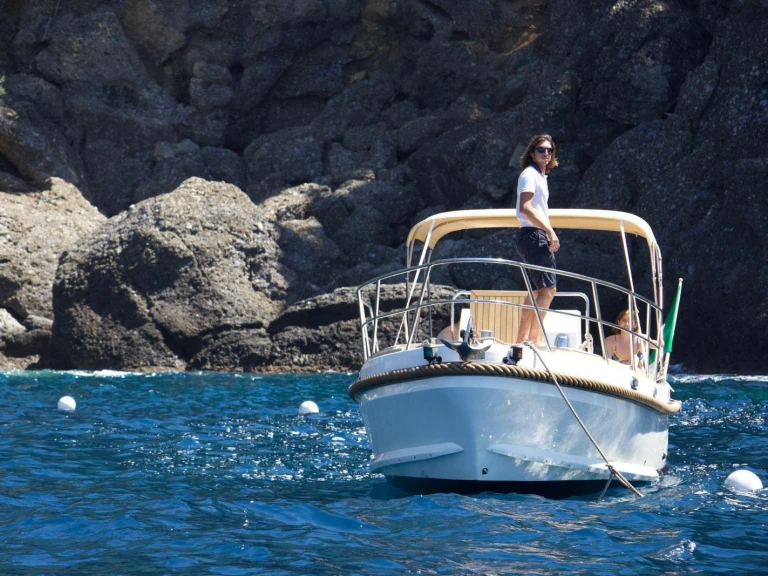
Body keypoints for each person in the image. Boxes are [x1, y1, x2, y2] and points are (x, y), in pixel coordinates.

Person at [515, 134, 559, 345]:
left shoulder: (540, 176)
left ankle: (521, 339)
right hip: (534, 236)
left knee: (535, 291)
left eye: (549, 150)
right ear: (532, 153)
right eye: (541, 150)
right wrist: (550, 231)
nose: (546, 153)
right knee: (549, 290)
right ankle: (534, 339)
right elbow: (525, 207)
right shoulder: (530, 174)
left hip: (529, 236)